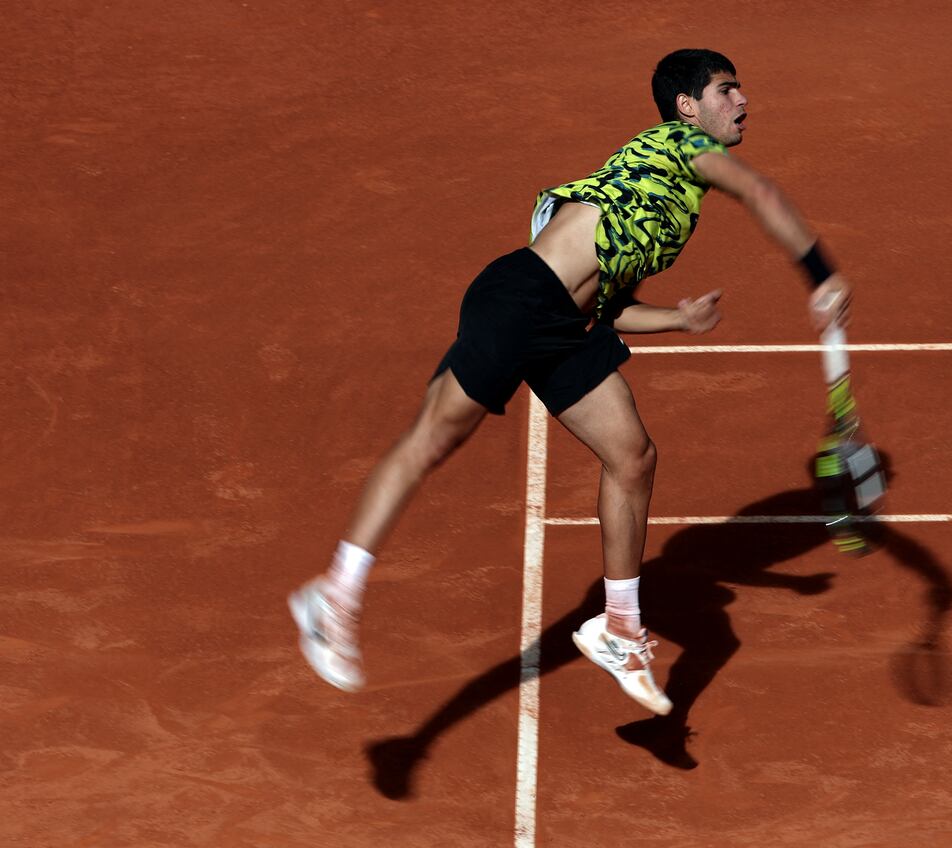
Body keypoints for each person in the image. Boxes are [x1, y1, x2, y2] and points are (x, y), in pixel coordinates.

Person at [288, 48, 852, 716]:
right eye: (727, 90)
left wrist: (677, 318)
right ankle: (335, 594)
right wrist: (821, 273)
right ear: (686, 107)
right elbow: (760, 192)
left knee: (633, 455)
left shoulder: (666, 200)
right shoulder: (677, 146)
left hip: (565, 327)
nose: (743, 101)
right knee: (432, 440)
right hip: (521, 300)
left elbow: (610, 304)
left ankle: (618, 626)